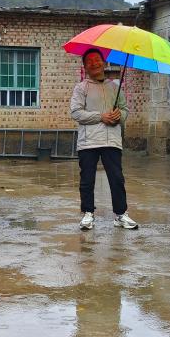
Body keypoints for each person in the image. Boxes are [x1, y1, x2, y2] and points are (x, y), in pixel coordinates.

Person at [70, 48, 139, 230]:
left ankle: (120, 214)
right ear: (85, 67)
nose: (94, 63)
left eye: (97, 59)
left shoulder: (115, 87)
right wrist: (101, 117)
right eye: (89, 61)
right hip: (88, 142)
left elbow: (125, 109)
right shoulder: (81, 88)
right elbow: (76, 113)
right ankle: (88, 213)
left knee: (117, 178)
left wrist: (119, 115)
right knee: (87, 179)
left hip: (111, 141)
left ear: (104, 63)